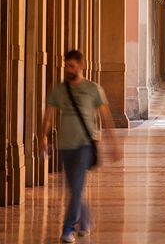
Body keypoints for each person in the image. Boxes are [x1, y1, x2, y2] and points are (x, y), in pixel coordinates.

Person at [41, 49, 117, 243]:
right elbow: (48, 116)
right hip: (65, 145)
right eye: (66, 66)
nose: (68, 69)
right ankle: (86, 221)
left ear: (81, 66)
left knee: (76, 187)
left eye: (72, 66)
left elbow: (105, 117)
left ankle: (68, 228)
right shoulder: (58, 89)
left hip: (85, 144)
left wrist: (113, 144)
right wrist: (43, 137)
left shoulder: (93, 89)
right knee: (73, 188)